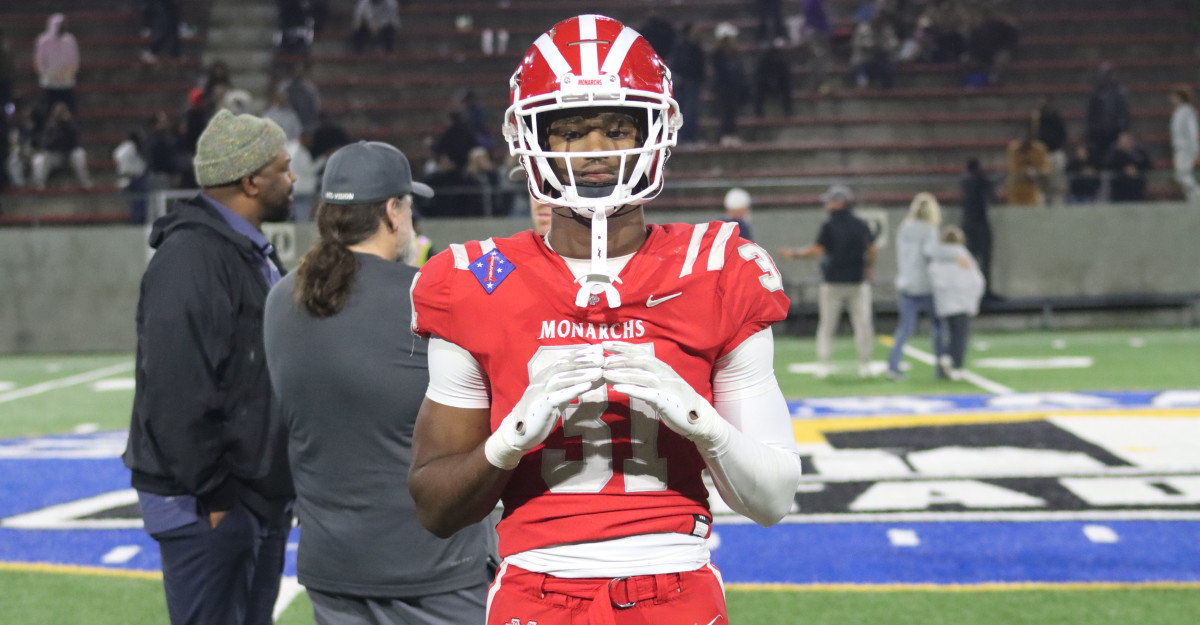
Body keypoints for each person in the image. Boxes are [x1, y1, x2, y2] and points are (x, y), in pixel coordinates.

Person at [408, 15, 801, 625]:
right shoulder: (471, 282)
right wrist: (508, 441)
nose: (594, 150)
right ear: (529, 136)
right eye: (569, 131)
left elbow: (773, 499)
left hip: (678, 585)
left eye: (617, 128)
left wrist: (700, 421)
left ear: (656, 130)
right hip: (533, 589)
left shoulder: (718, 268)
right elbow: (434, 509)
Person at [264, 141, 492, 625]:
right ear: (393, 211)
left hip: (333, 570)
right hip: (433, 570)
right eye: (409, 206)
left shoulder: (281, 298)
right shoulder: (427, 298)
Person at [123, 109, 296, 625]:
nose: (292, 180)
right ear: (251, 180)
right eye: (283, 169)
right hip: (213, 503)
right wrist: (217, 496)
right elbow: (177, 389)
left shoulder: (241, 250)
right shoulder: (191, 257)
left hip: (248, 495)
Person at [778, 184, 877, 378]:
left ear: (839, 202)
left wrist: (795, 254)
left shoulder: (829, 225)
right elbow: (872, 249)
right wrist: (869, 268)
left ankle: (824, 363)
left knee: (827, 326)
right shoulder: (861, 223)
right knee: (863, 325)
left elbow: (817, 249)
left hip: (832, 282)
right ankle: (865, 364)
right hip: (857, 281)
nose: (827, 204)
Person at [886, 192, 945, 381]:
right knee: (938, 327)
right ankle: (941, 367)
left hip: (906, 283)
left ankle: (893, 366)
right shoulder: (929, 229)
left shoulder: (905, 227)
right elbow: (931, 254)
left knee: (905, 328)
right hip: (926, 285)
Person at [928, 225, 985, 381]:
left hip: (944, 302)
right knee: (960, 335)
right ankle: (957, 366)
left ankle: (945, 355)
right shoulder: (963, 257)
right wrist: (973, 298)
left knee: (946, 333)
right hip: (962, 301)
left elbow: (934, 278)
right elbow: (975, 280)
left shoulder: (937, 256)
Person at [960, 157, 999, 301]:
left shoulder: (966, 181)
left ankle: (974, 292)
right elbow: (991, 198)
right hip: (979, 224)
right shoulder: (979, 181)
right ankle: (983, 292)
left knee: (971, 261)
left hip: (968, 224)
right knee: (983, 261)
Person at [30, 101, 91, 189]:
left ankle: (85, 182)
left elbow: (76, 142)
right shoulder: (50, 126)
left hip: (69, 154)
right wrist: (56, 136)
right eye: (59, 112)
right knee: (41, 159)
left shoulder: (71, 125)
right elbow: (45, 144)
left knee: (79, 154)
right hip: (55, 156)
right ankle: (39, 184)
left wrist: (67, 124)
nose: (61, 115)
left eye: (63, 112)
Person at [667, 22, 706, 143]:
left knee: (692, 112)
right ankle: (686, 137)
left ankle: (691, 136)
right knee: (687, 111)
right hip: (686, 83)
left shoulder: (696, 46)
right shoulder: (683, 48)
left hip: (694, 82)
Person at [711, 22, 749, 146]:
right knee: (725, 114)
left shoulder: (735, 55)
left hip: (733, 88)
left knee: (732, 113)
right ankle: (725, 135)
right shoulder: (718, 56)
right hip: (723, 89)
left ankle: (731, 134)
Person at [33, 13, 79, 115]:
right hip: (49, 83)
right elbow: (39, 61)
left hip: (66, 82)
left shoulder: (70, 40)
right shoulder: (43, 41)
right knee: (49, 111)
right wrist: (49, 73)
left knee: (68, 111)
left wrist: (66, 73)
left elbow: (74, 61)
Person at [1085, 62, 1131, 160]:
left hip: (1115, 130)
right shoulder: (1095, 91)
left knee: (1115, 156)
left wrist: (1124, 130)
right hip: (1098, 132)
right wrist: (1091, 130)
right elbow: (1090, 113)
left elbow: (1124, 112)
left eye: (1108, 73)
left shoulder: (1118, 91)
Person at [1033, 97, 1068, 206]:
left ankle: (1058, 204)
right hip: (1042, 154)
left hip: (1055, 153)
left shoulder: (1057, 118)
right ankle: (1044, 204)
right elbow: (1034, 136)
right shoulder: (1037, 119)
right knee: (1042, 184)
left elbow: (1063, 135)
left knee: (1057, 182)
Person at [1169, 84, 1200, 204]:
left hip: (1186, 149)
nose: (1172, 98)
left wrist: (1195, 150)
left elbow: (1193, 131)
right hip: (1180, 148)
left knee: (1181, 175)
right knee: (1183, 175)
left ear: (1180, 96)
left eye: (1174, 96)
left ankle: (1197, 194)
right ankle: (1193, 202)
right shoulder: (1180, 111)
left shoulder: (1187, 111)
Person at [1004, 128, 1049, 206]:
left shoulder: (1039, 149)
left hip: (1032, 186)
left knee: (1033, 209)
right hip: (1016, 186)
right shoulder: (1014, 149)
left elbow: (1045, 167)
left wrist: (1037, 172)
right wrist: (1027, 172)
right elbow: (1013, 169)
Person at [1104, 131, 1152, 202]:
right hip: (1118, 188)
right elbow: (1108, 166)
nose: (1125, 143)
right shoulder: (1114, 154)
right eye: (1122, 140)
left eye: (1127, 140)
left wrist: (1137, 170)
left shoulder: (1140, 151)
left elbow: (1148, 166)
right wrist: (1124, 170)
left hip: (1136, 188)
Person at [113, 129, 149, 223]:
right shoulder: (130, 147)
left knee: (138, 201)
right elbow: (119, 157)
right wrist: (127, 170)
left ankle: (139, 219)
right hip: (133, 177)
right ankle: (138, 220)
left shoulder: (127, 147)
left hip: (135, 177)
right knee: (137, 201)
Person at [753, 38, 793, 118]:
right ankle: (759, 113)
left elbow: (786, 76)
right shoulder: (763, 63)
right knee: (758, 91)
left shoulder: (782, 63)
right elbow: (759, 76)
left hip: (779, 85)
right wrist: (769, 82)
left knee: (787, 89)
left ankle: (788, 111)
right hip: (766, 85)